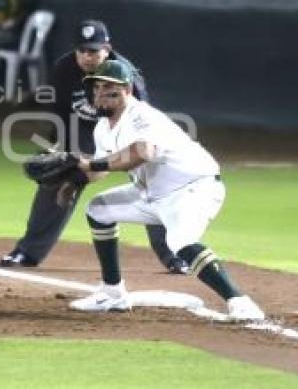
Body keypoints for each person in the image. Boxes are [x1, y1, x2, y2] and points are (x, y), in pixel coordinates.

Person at [66, 60, 265, 321]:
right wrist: (73, 177)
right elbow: (101, 168)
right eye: (97, 88)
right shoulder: (103, 128)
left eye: (109, 87)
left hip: (193, 188)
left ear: (126, 89)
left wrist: (90, 162)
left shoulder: (141, 115)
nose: (100, 93)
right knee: (99, 209)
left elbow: (141, 153)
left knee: (179, 242)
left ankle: (239, 301)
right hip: (151, 195)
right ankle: (112, 294)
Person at [0, 20, 184, 274]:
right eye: (82, 51)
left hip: (124, 131)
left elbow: (141, 121)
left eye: (94, 51)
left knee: (151, 183)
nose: (87, 56)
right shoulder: (64, 68)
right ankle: (27, 252)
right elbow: (60, 113)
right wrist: (63, 152)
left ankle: (174, 254)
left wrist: (115, 159)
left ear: (107, 49)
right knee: (58, 176)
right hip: (84, 130)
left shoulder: (126, 75)